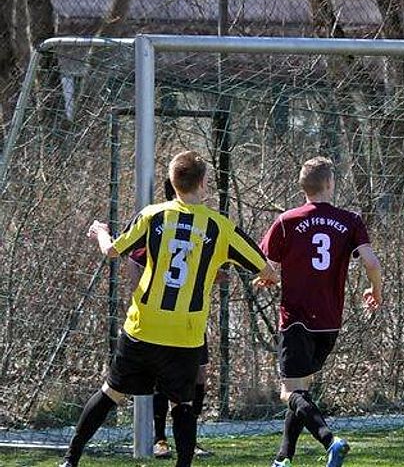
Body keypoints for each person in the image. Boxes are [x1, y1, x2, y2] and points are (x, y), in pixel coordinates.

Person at [60, 151, 278, 467]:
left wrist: (100, 231)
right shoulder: (220, 227)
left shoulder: (153, 215)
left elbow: (112, 250)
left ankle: (70, 459)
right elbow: (265, 267)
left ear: (173, 182)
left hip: (143, 328)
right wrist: (268, 276)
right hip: (184, 336)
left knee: (111, 393)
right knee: (182, 405)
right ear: (204, 183)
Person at [260, 156, 383, 467]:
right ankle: (283, 458)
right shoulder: (350, 220)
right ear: (330, 183)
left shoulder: (287, 221)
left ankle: (330, 440)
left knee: (288, 392)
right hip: (329, 321)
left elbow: (268, 268)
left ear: (303, 186)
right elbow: (371, 262)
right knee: (301, 388)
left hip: (296, 319)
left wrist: (268, 277)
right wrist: (375, 290)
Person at [126, 179, 212, 459]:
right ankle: (160, 438)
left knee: (198, 375)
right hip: (161, 319)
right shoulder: (158, 223)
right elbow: (134, 262)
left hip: (190, 319)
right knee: (160, 379)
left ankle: (189, 438)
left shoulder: (203, 227)